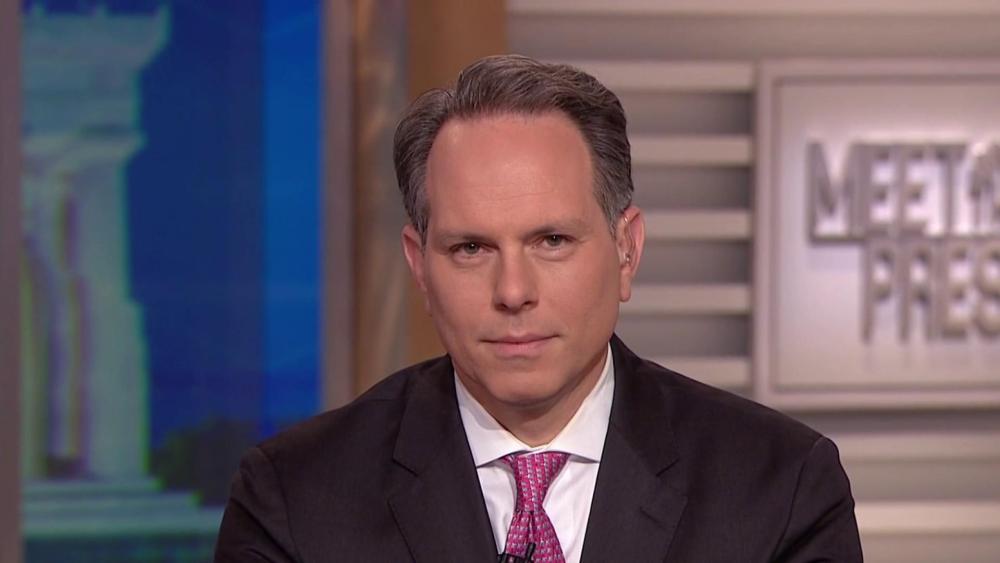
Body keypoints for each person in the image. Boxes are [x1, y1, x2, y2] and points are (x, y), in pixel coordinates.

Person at [214, 54, 863, 562]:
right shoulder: (294, 499)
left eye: (551, 241)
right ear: (419, 266)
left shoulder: (778, 488)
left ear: (626, 250)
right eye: (471, 248)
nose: (513, 290)